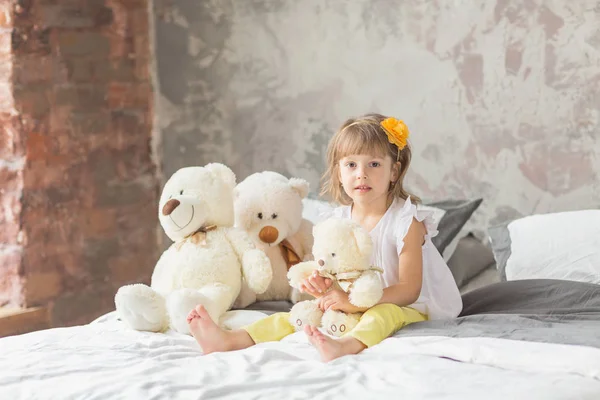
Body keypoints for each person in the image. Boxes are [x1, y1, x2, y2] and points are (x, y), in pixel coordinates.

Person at [186, 113, 463, 362]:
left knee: (382, 315)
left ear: (394, 171)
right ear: (339, 172)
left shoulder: (406, 220)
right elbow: (334, 272)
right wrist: (321, 285)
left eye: (374, 164)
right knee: (300, 313)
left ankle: (345, 346)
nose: (361, 174)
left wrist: (353, 303)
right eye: (351, 164)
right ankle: (231, 339)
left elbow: (408, 289)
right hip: (355, 302)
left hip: (412, 307)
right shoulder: (337, 220)